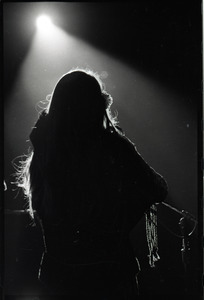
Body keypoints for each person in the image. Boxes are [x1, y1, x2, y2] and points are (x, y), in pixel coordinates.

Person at [15, 69, 168, 299]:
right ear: (97, 104)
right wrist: (122, 221)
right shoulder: (112, 147)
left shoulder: (45, 150)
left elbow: (42, 209)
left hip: (59, 278)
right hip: (110, 275)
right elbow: (158, 188)